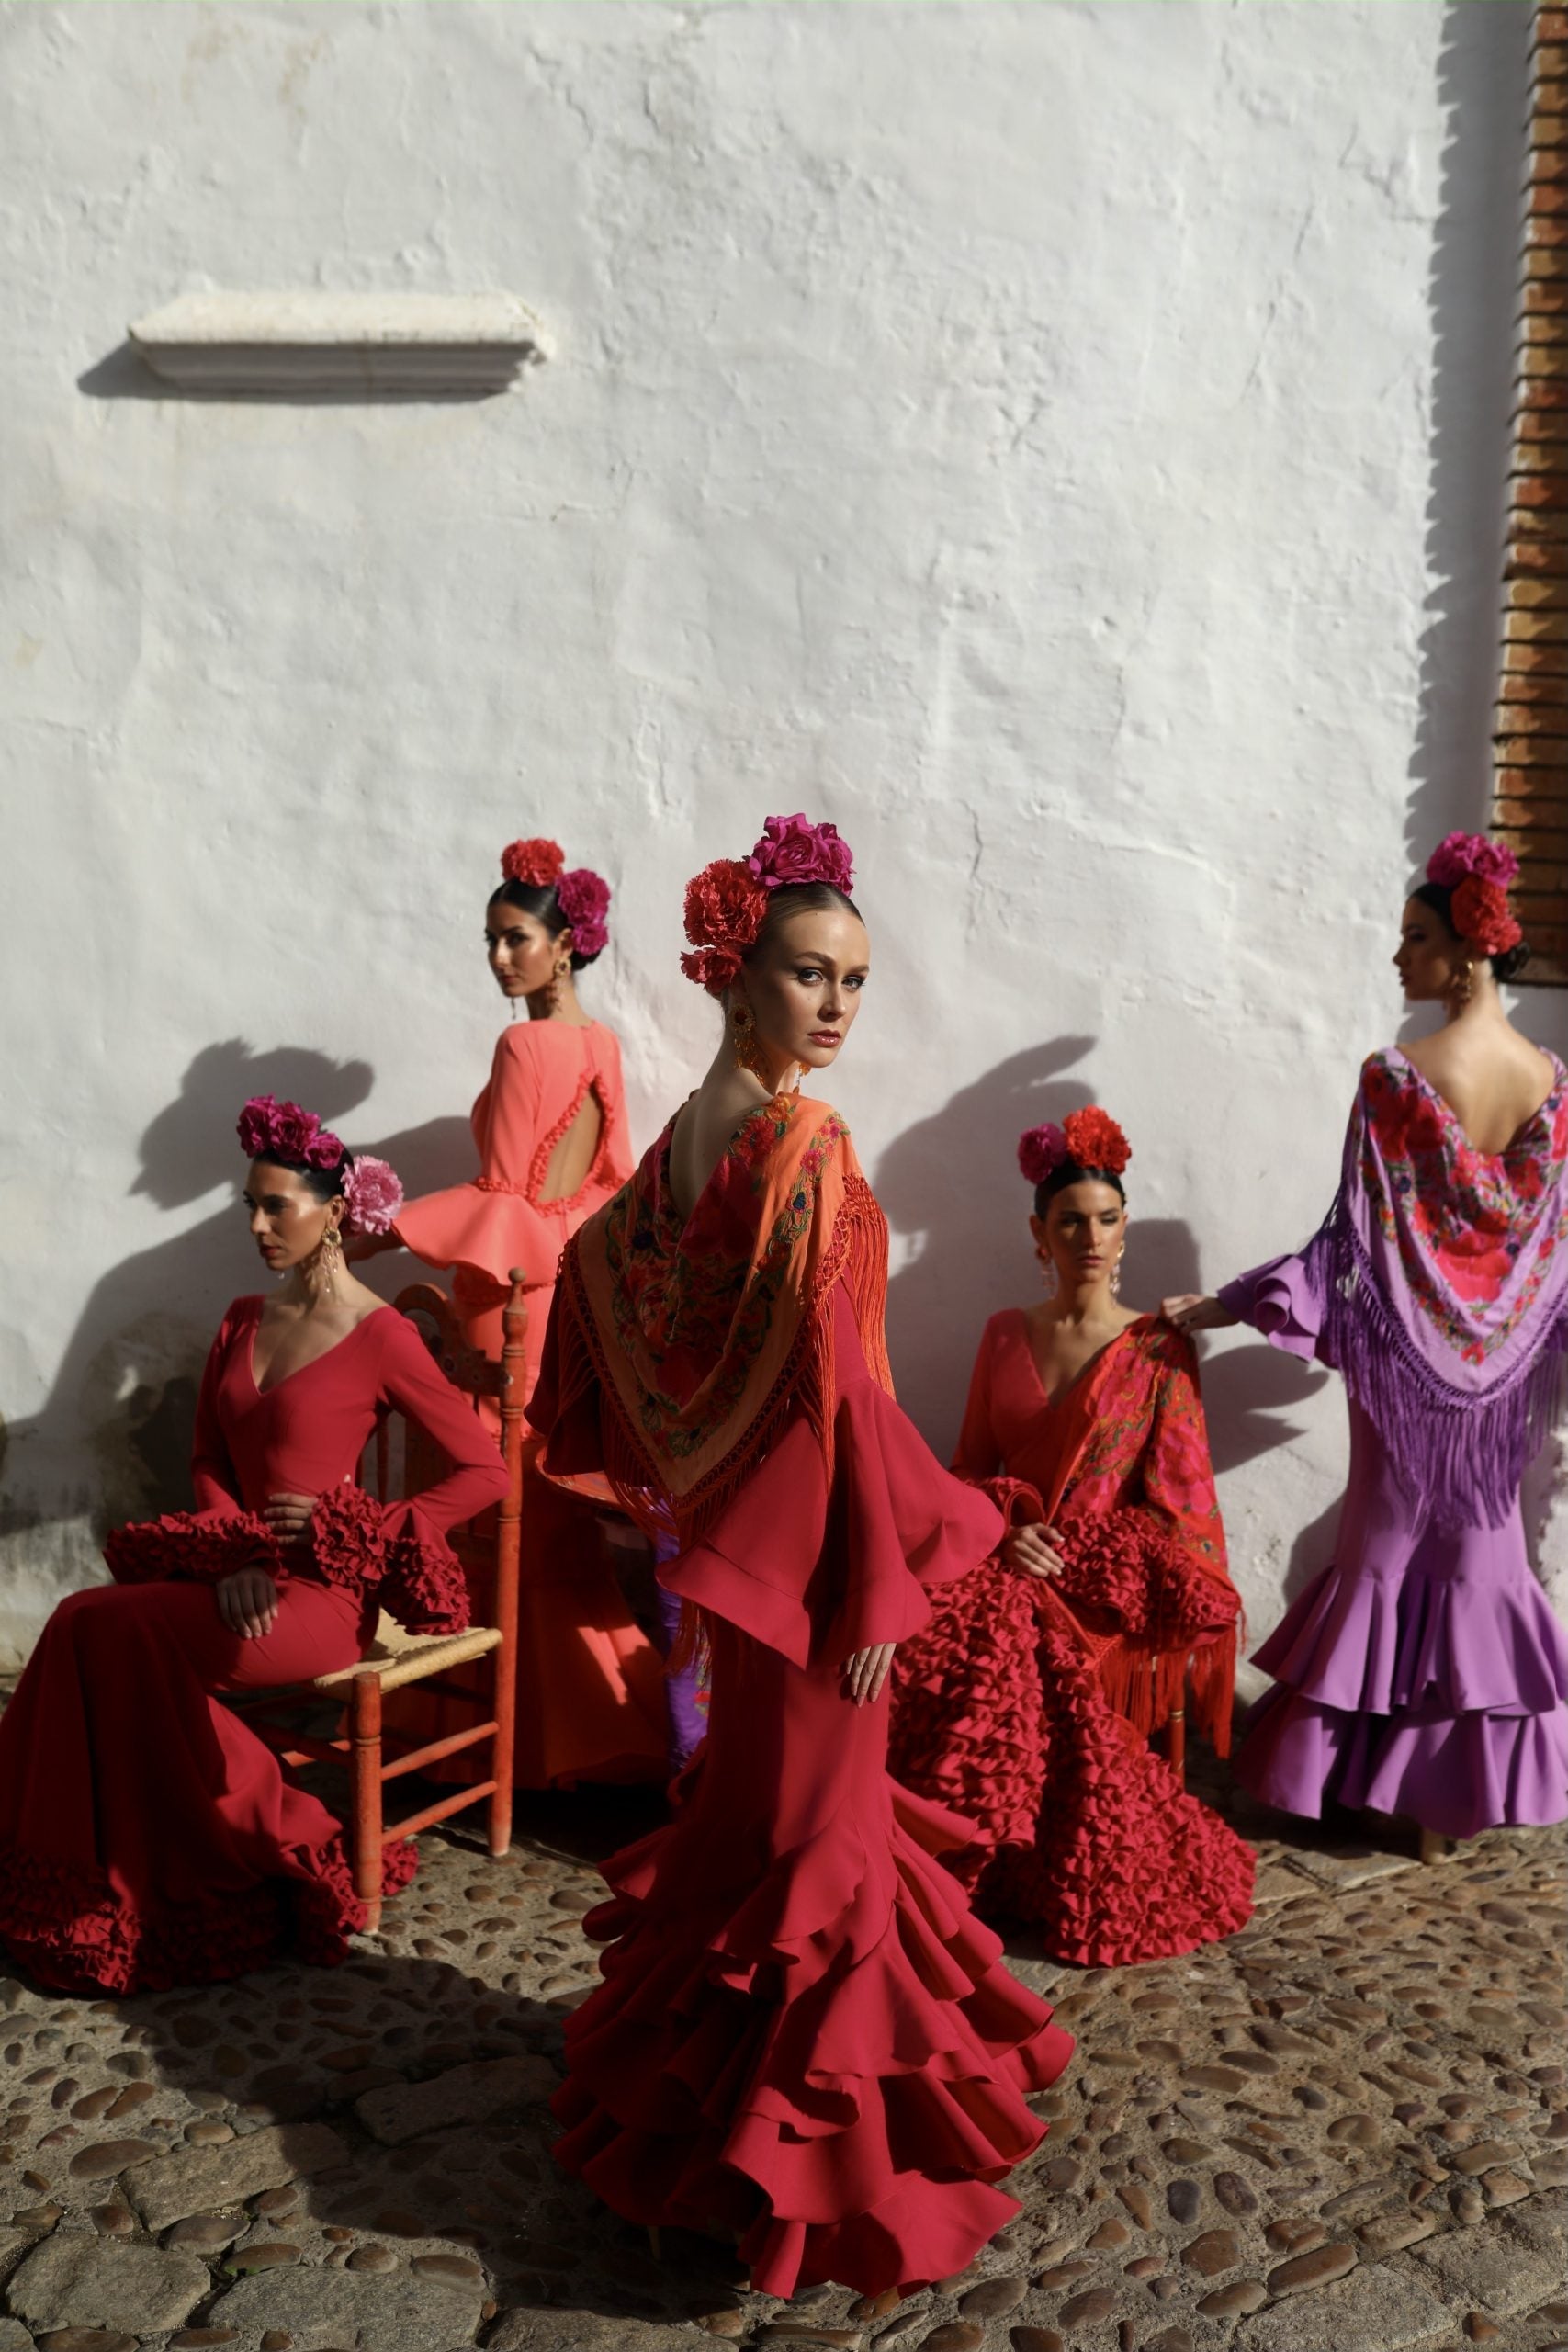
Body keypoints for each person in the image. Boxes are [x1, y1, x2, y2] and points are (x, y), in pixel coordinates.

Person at [527, 814, 1074, 2301]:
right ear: (732, 972)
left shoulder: (659, 1173)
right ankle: (806, 2191)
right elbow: (844, 1403)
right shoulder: (805, 1152)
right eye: (809, 974)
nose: (837, 1006)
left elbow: (592, 1299)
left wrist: (683, 1504)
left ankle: (707, 2157)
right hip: (824, 1593)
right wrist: (897, 1572)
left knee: (754, 1851)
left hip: (727, 1570)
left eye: (854, 981)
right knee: (815, 1867)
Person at [0, 1098, 509, 1995]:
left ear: (336, 1213)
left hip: (320, 1601)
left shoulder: (383, 1335)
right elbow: (206, 1457)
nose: (259, 1224)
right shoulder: (241, 1317)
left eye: (278, 1206)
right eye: (251, 1205)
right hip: (235, 1577)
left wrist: (357, 1529)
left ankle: (253, 1837)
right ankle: (96, 1868)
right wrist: (234, 1554)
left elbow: (485, 1470)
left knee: (100, 1626)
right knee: (91, 1625)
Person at [1167, 831, 1568, 1851]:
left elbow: (1354, 1240)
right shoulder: (1553, 1083)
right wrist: (1507, 1337)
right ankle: (1441, 1798)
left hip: (1404, 1362)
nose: (1399, 958)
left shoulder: (1396, 1076)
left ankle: (1347, 1777)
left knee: (1383, 1548)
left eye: (1415, 938)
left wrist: (1228, 1305)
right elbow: (1548, 1240)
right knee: (1483, 1557)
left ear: (1467, 952)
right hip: (1505, 1370)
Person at [887, 1109, 1254, 1965]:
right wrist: (1007, 1535)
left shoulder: (1156, 1349)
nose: (1089, 1236)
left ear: (1124, 1231)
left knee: (1001, 1645)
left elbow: (1175, 1510)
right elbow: (967, 1468)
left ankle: (965, 1866)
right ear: (1038, 1234)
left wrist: (1073, 1554)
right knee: (908, 1636)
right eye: (1069, 1221)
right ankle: (924, 1852)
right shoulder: (1003, 1332)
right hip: (1001, 1552)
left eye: (1105, 1219)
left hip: (1094, 1574)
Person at [374, 838, 676, 1787]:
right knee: (540, 1516)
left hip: (495, 1296)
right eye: (492, 940)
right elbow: (615, 1180)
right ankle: (582, 1735)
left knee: (482, 1515)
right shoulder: (603, 1046)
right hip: (558, 1302)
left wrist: (387, 1230)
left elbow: (502, 1187)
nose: (500, 959)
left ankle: (482, 1738)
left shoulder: (521, 1043)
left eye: (516, 939)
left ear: (565, 943)